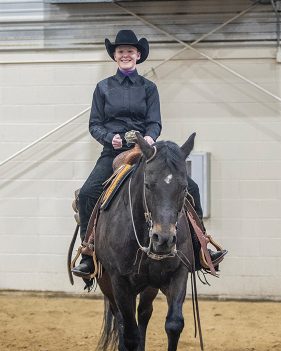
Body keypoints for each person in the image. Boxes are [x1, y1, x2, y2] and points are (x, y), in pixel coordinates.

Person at [72, 30, 225, 278]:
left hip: (145, 152)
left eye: (130, 51)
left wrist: (149, 139)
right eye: (120, 51)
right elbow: (94, 124)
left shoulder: (149, 88)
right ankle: (89, 253)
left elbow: (155, 122)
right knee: (88, 193)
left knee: (191, 188)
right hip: (112, 152)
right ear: (115, 56)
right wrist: (109, 137)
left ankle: (201, 246)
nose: (125, 55)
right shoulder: (103, 88)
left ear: (138, 55)